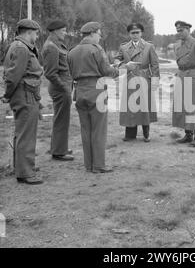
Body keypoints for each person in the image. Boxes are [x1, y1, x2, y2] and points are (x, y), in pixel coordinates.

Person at [67, 22, 135, 173]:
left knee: (86, 130)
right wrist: (125, 67)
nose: (100, 37)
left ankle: (88, 165)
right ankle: (98, 165)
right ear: (91, 33)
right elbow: (107, 72)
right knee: (98, 130)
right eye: (99, 34)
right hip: (96, 91)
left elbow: (70, 73)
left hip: (79, 92)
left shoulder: (72, 51)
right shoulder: (96, 50)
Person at [1, 19, 43, 184]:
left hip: (25, 93)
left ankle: (22, 167)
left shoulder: (18, 46)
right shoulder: (21, 49)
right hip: (25, 94)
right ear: (28, 32)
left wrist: (9, 94)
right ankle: (26, 173)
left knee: (22, 132)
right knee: (26, 134)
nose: (37, 36)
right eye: (36, 33)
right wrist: (7, 94)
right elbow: (13, 76)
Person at [115, 23, 160, 142]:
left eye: (137, 32)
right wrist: (122, 65)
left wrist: (155, 79)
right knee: (130, 106)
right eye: (132, 33)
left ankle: (146, 134)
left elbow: (155, 64)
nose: (135, 35)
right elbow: (117, 60)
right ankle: (130, 134)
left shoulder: (149, 46)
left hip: (144, 77)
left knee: (144, 106)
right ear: (129, 34)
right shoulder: (124, 47)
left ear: (141, 33)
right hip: (130, 78)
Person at [41, 20, 73, 161]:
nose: (65, 33)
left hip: (62, 87)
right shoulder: (51, 47)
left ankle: (59, 147)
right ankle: (59, 152)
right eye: (63, 30)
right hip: (60, 88)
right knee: (61, 120)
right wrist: (64, 88)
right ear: (54, 31)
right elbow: (50, 73)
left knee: (61, 119)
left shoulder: (56, 45)